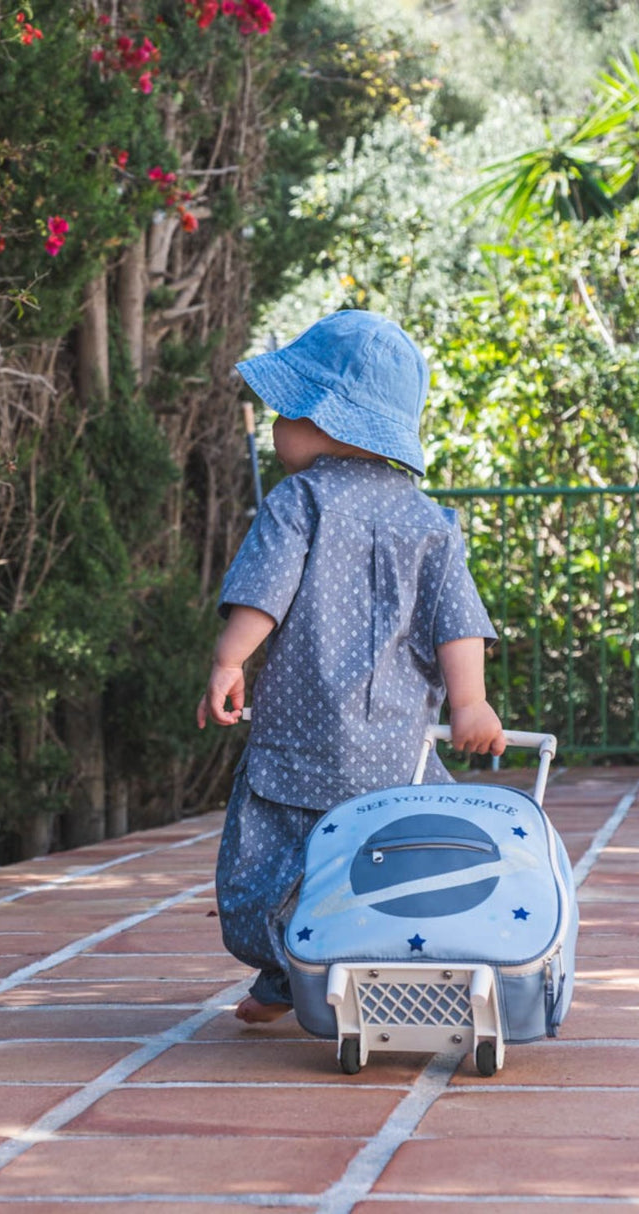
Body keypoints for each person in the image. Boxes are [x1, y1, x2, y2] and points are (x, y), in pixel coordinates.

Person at [196, 309, 506, 1025]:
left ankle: (284, 973)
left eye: (286, 410)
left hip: (297, 750)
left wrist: (227, 661)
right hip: (396, 756)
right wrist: (470, 705)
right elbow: (456, 622)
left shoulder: (297, 500)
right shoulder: (431, 521)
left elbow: (262, 596)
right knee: (390, 868)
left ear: (327, 421)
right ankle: (385, 965)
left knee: (267, 871)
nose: (276, 428)